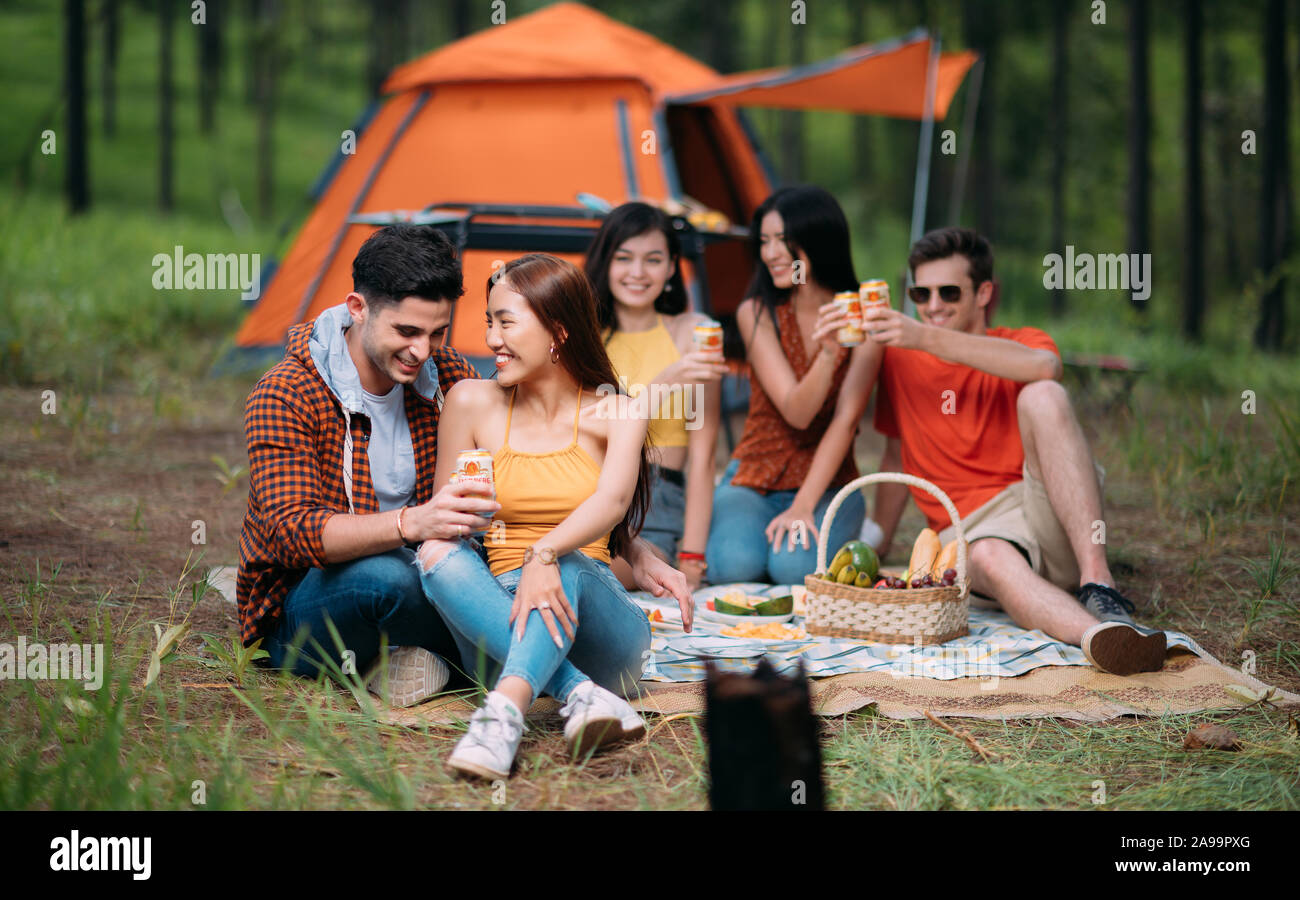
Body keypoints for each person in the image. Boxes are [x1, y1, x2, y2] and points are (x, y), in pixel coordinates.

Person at [238, 226, 688, 710]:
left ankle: (424, 659)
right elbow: (292, 533)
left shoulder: (447, 377)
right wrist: (413, 522)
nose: (421, 350)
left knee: (450, 574)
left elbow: (530, 485)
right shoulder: (286, 393)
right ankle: (570, 688)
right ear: (358, 308)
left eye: (436, 333)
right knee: (395, 575)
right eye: (406, 332)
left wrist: (631, 549)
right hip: (311, 601)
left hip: (431, 577)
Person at [414, 253, 694, 781]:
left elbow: (611, 506)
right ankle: (578, 696)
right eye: (488, 321)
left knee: (564, 560)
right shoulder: (469, 402)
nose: (492, 338)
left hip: (603, 635)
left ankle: (502, 719)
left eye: (507, 322)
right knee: (435, 552)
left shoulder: (617, 411)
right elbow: (448, 520)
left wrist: (545, 551)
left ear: (557, 331)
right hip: (500, 624)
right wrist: (469, 515)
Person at [864, 226, 1166, 676]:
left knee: (1043, 394)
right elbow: (894, 455)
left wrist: (925, 338)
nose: (931, 306)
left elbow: (1046, 367)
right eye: (920, 293)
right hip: (973, 531)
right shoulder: (899, 360)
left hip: (1047, 512)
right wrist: (877, 542)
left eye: (948, 291)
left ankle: (1099, 584)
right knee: (984, 554)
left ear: (983, 292)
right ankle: (1103, 639)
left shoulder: (1020, 341)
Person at [705, 186, 882, 586]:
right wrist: (827, 355)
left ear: (819, 239)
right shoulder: (757, 312)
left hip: (828, 483)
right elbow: (796, 411)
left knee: (793, 571)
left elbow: (845, 420)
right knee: (735, 568)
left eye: (784, 240)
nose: (771, 253)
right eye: (764, 241)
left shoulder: (863, 319)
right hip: (754, 475)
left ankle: (851, 529)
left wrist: (802, 506)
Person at [584, 202, 727, 592]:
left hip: (658, 498)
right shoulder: (584, 338)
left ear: (670, 268)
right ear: (605, 262)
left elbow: (703, 454)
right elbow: (587, 429)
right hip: (587, 489)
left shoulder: (694, 333)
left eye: (653, 259)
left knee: (597, 579)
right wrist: (666, 380)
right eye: (624, 257)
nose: (637, 272)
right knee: (561, 566)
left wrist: (693, 555)